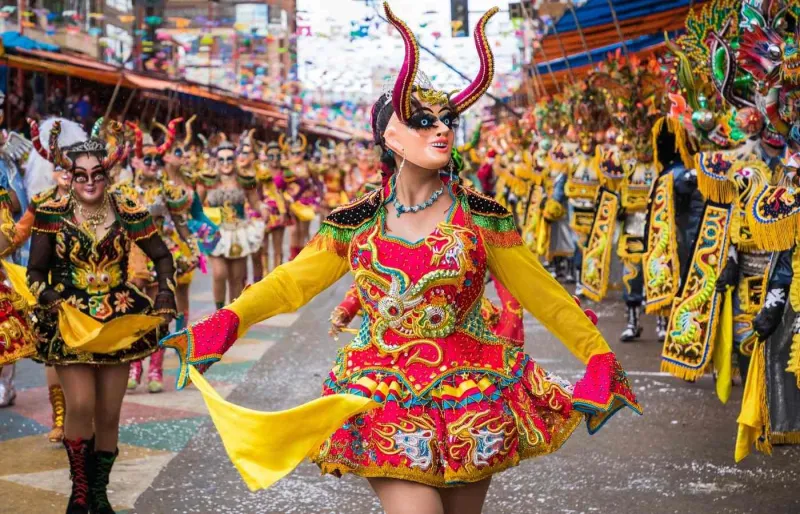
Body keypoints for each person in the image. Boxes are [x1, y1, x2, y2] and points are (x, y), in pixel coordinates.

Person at [162, 5, 640, 513]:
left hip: (472, 396)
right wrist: (227, 323)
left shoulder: (483, 218)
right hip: (383, 393)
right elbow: (289, 284)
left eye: (448, 120)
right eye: (423, 121)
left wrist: (597, 356)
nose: (441, 130)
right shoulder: (356, 221)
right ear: (390, 137)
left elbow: (544, 295)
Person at [26, 120, 176, 514]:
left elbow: (162, 255)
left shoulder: (128, 210)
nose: (89, 182)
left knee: (109, 413)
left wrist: (164, 292)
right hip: (71, 320)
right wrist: (53, 298)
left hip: (117, 320)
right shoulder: (51, 213)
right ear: (70, 177)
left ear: (107, 176)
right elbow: (34, 274)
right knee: (80, 405)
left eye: (97, 174)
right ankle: (78, 494)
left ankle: (98, 493)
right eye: (81, 175)